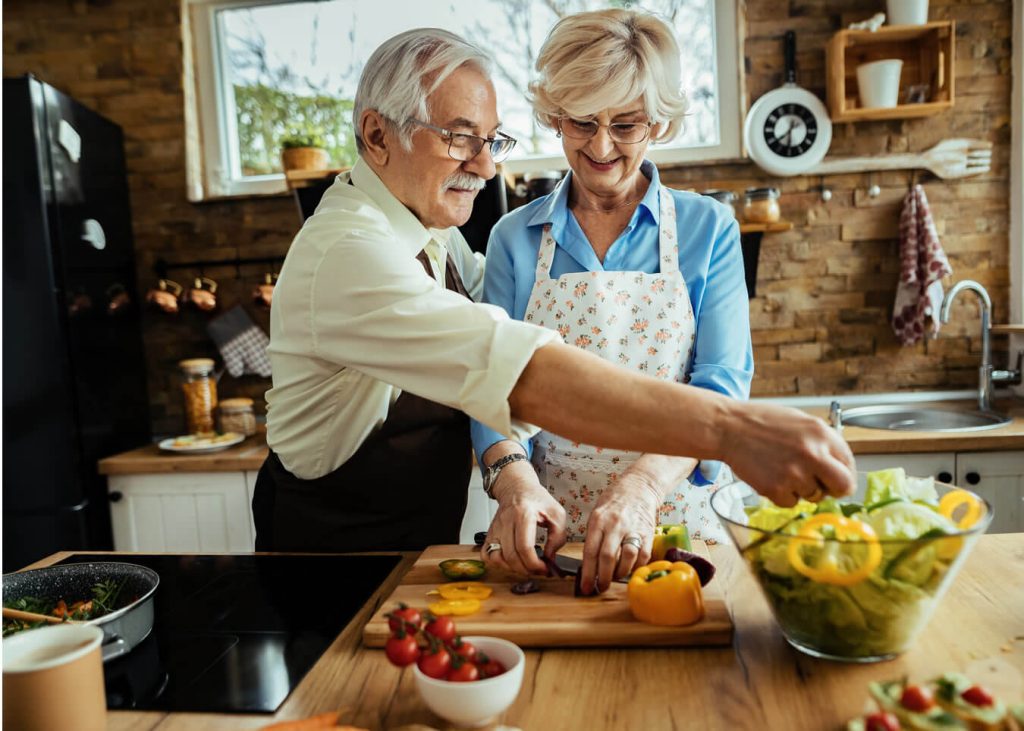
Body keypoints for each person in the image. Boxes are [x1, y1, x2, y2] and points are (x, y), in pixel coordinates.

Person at [252, 27, 855, 561]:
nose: (487, 169)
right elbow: (514, 374)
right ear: (376, 136)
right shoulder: (354, 253)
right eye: (460, 137)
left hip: (428, 548)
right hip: (333, 562)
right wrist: (733, 432)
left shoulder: (437, 237)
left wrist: (647, 482)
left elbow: (717, 372)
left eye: (491, 139)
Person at [471, 8, 754, 593]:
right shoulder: (514, 239)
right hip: (550, 536)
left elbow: (721, 388)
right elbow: (490, 390)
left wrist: (641, 489)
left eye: (625, 125)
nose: (600, 147)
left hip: (675, 527)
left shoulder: (709, 229)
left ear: (659, 124)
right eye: (580, 122)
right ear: (554, 116)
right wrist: (514, 484)